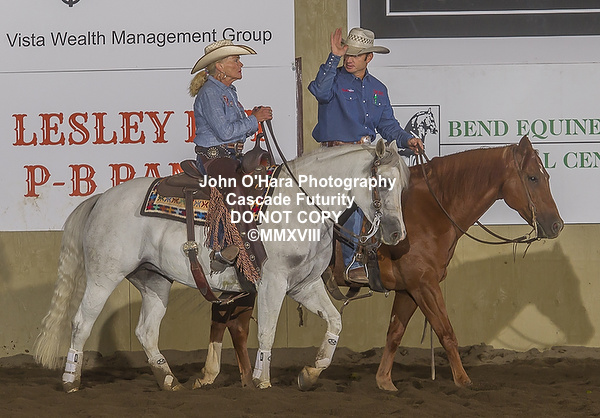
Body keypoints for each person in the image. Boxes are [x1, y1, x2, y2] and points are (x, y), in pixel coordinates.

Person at [308, 27, 424, 284]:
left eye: (356, 55)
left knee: (388, 193)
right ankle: (350, 262)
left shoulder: (378, 89)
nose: (349, 59)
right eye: (347, 54)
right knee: (356, 198)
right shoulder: (333, 78)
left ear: (368, 57)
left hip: (363, 155)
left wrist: (407, 139)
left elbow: (388, 126)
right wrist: (333, 57)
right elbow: (319, 91)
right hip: (334, 155)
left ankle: (378, 252)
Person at [189, 39, 272, 271]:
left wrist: (253, 119)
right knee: (234, 187)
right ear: (220, 66)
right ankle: (228, 248)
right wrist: (254, 119)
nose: (240, 64)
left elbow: (236, 130)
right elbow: (225, 132)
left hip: (230, 155)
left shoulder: (228, 92)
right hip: (214, 157)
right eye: (235, 60)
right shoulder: (210, 93)